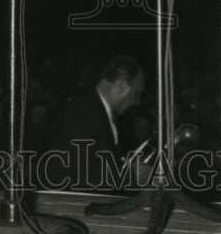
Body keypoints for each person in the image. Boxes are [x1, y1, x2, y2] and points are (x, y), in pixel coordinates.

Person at [39, 54, 146, 192]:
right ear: (121, 86)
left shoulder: (92, 111)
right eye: (137, 93)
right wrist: (133, 176)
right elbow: (84, 177)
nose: (137, 101)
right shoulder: (83, 113)